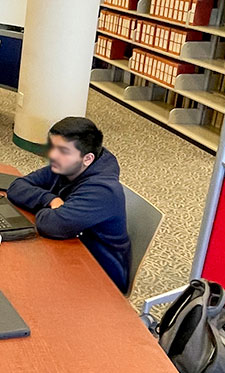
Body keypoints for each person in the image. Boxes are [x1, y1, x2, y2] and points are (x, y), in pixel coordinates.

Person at [7, 117, 132, 292]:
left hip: (101, 274)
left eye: (63, 151)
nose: (52, 155)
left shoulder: (102, 191)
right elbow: (16, 187)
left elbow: (52, 225)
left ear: (87, 159)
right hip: (70, 250)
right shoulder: (67, 166)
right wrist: (51, 200)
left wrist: (50, 210)